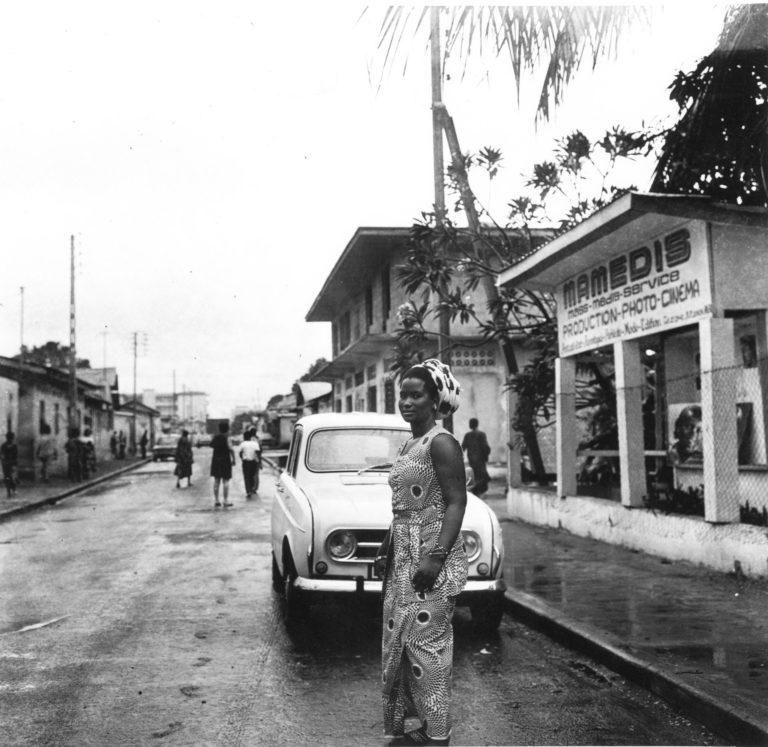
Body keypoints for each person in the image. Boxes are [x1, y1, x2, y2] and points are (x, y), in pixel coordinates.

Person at [380, 359, 467, 746]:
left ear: (436, 402)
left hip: (430, 556)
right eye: (404, 395)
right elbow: (404, 505)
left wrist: (436, 557)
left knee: (426, 647)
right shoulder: (409, 443)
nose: (407, 402)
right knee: (403, 644)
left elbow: (456, 502)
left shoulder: (441, 441)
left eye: (416, 396)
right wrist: (387, 546)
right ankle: (420, 728)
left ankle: (438, 737)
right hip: (403, 558)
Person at [460, 417, 491, 496]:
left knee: (475, 474)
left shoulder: (468, 435)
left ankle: (476, 490)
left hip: (472, 459)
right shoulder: (481, 434)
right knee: (481, 474)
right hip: (480, 459)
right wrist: (486, 455)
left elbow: (463, 447)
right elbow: (485, 447)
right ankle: (480, 490)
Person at [210, 421, 235, 508]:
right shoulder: (227, 438)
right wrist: (234, 459)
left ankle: (216, 500)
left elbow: (211, 445)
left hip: (216, 461)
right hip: (225, 461)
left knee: (216, 481)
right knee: (226, 481)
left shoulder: (215, 437)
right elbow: (231, 449)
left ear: (219, 429)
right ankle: (225, 500)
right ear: (227, 429)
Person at [239, 429, 261, 497]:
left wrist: (242, 458)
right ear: (250, 437)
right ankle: (252, 488)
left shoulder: (242, 444)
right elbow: (258, 453)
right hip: (254, 462)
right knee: (252, 476)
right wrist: (258, 461)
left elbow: (240, 453)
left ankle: (248, 490)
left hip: (246, 462)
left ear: (244, 437)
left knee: (246, 476)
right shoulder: (255, 444)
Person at [1, 432, 19, 498]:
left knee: (8, 478)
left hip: (6, 464)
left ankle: (10, 490)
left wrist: (3, 461)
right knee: (10, 477)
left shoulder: (4, 445)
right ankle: (11, 490)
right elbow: (16, 456)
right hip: (10, 464)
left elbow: (2, 455)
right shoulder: (14, 446)